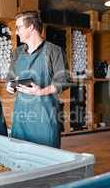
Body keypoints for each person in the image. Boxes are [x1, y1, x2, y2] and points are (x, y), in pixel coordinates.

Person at [6, 11, 69, 148]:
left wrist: (41, 91)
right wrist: (10, 86)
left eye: (19, 27)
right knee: (19, 156)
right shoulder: (16, 53)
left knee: (46, 158)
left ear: (31, 27)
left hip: (44, 116)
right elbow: (10, 79)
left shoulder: (54, 51)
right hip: (21, 117)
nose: (16, 32)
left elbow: (64, 80)